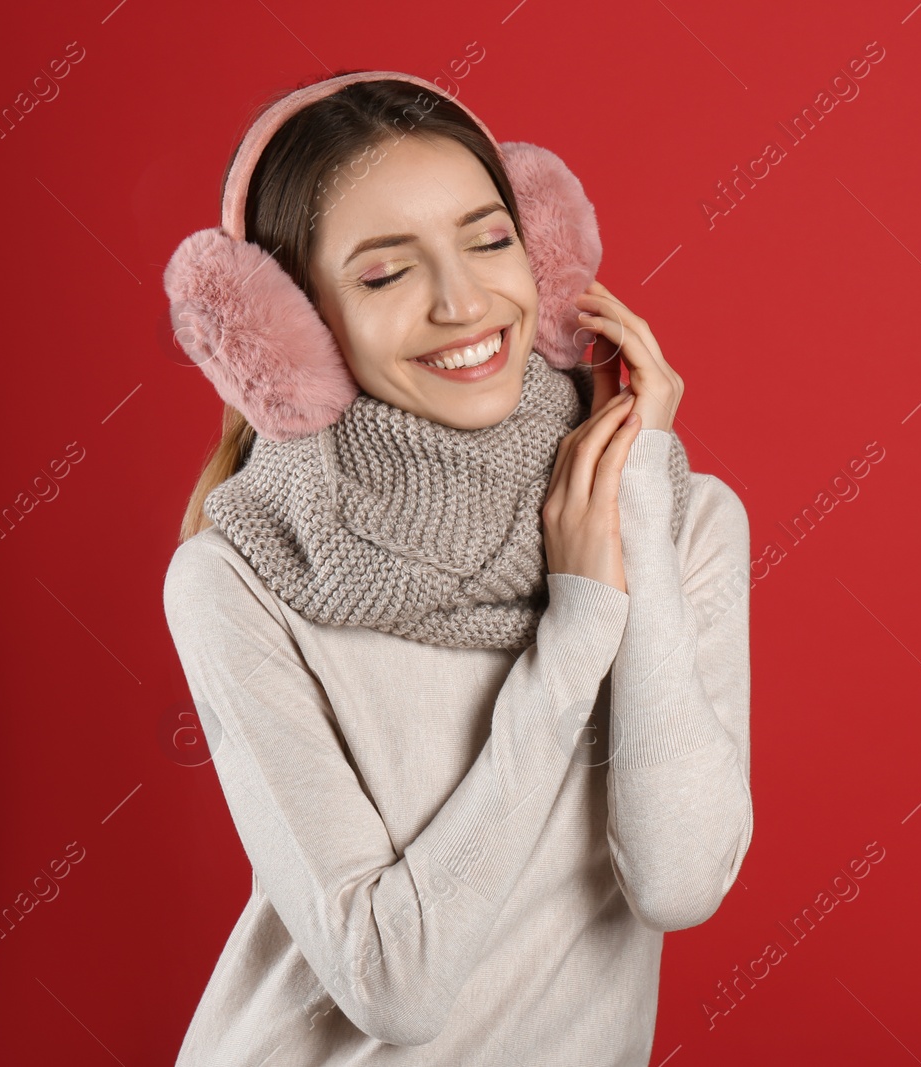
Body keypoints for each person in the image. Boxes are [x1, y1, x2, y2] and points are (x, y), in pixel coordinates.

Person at [160, 69, 751, 1064]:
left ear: (546, 256)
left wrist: (634, 505)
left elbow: (678, 877)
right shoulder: (238, 576)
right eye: (385, 274)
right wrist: (572, 633)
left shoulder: (683, 519)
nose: (462, 300)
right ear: (289, 332)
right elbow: (397, 984)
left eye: (490, 241)